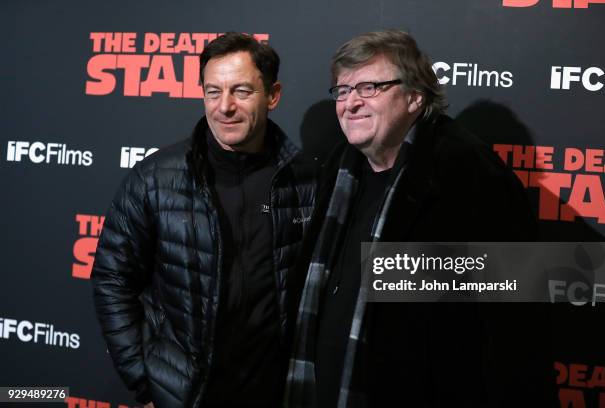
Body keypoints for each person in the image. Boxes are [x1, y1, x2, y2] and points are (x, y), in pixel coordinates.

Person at [285, 29, 555, 407]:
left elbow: (513, 333)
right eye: (343, 91)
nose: (351, 103)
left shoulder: (470, 177)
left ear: (415, 97)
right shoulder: (339, 171)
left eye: (369, 88)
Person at [91, 32, 315, 408]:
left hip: (273, 394)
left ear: (273, 95)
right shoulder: (154, 178)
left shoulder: (306, 180)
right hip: (182, 396)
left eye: (241, 91)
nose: (224, 107)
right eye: (213, 92)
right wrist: (143, 382)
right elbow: (112, 279)